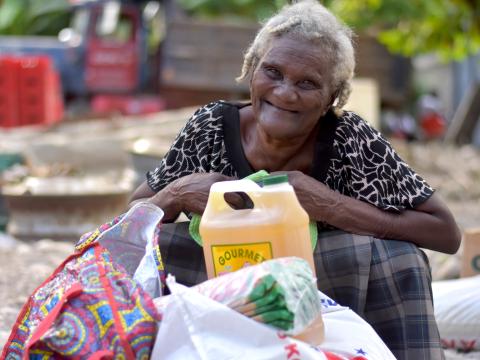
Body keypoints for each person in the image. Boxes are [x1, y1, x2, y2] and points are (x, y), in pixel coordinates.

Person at [130, 1, 461, 358]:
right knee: (154, 246)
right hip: (223, 278)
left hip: (322, 285)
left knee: (402, 258)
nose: (285, 93)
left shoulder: (350, 139)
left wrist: (328, 205)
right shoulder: (210, 127)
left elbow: (444, 232)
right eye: (272, 72)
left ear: (331, 98)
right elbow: (128, 218)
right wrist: (178, 192)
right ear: (252, 70)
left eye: (307, 83)